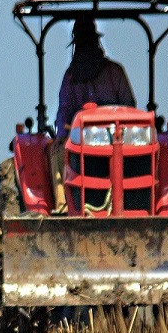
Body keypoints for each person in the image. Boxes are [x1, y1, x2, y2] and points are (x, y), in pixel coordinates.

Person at [50, 17, 136, 213]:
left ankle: (136, 201)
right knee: (57, 150)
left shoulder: (115, 73)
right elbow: (63, 110)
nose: (85, 47)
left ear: (95, 42)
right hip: (79, 141)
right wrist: (62, 134)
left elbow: (130, 106)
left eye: (87, 42)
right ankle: (64, 206)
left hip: (116, 139)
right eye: (82, 43)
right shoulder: (71, 78)